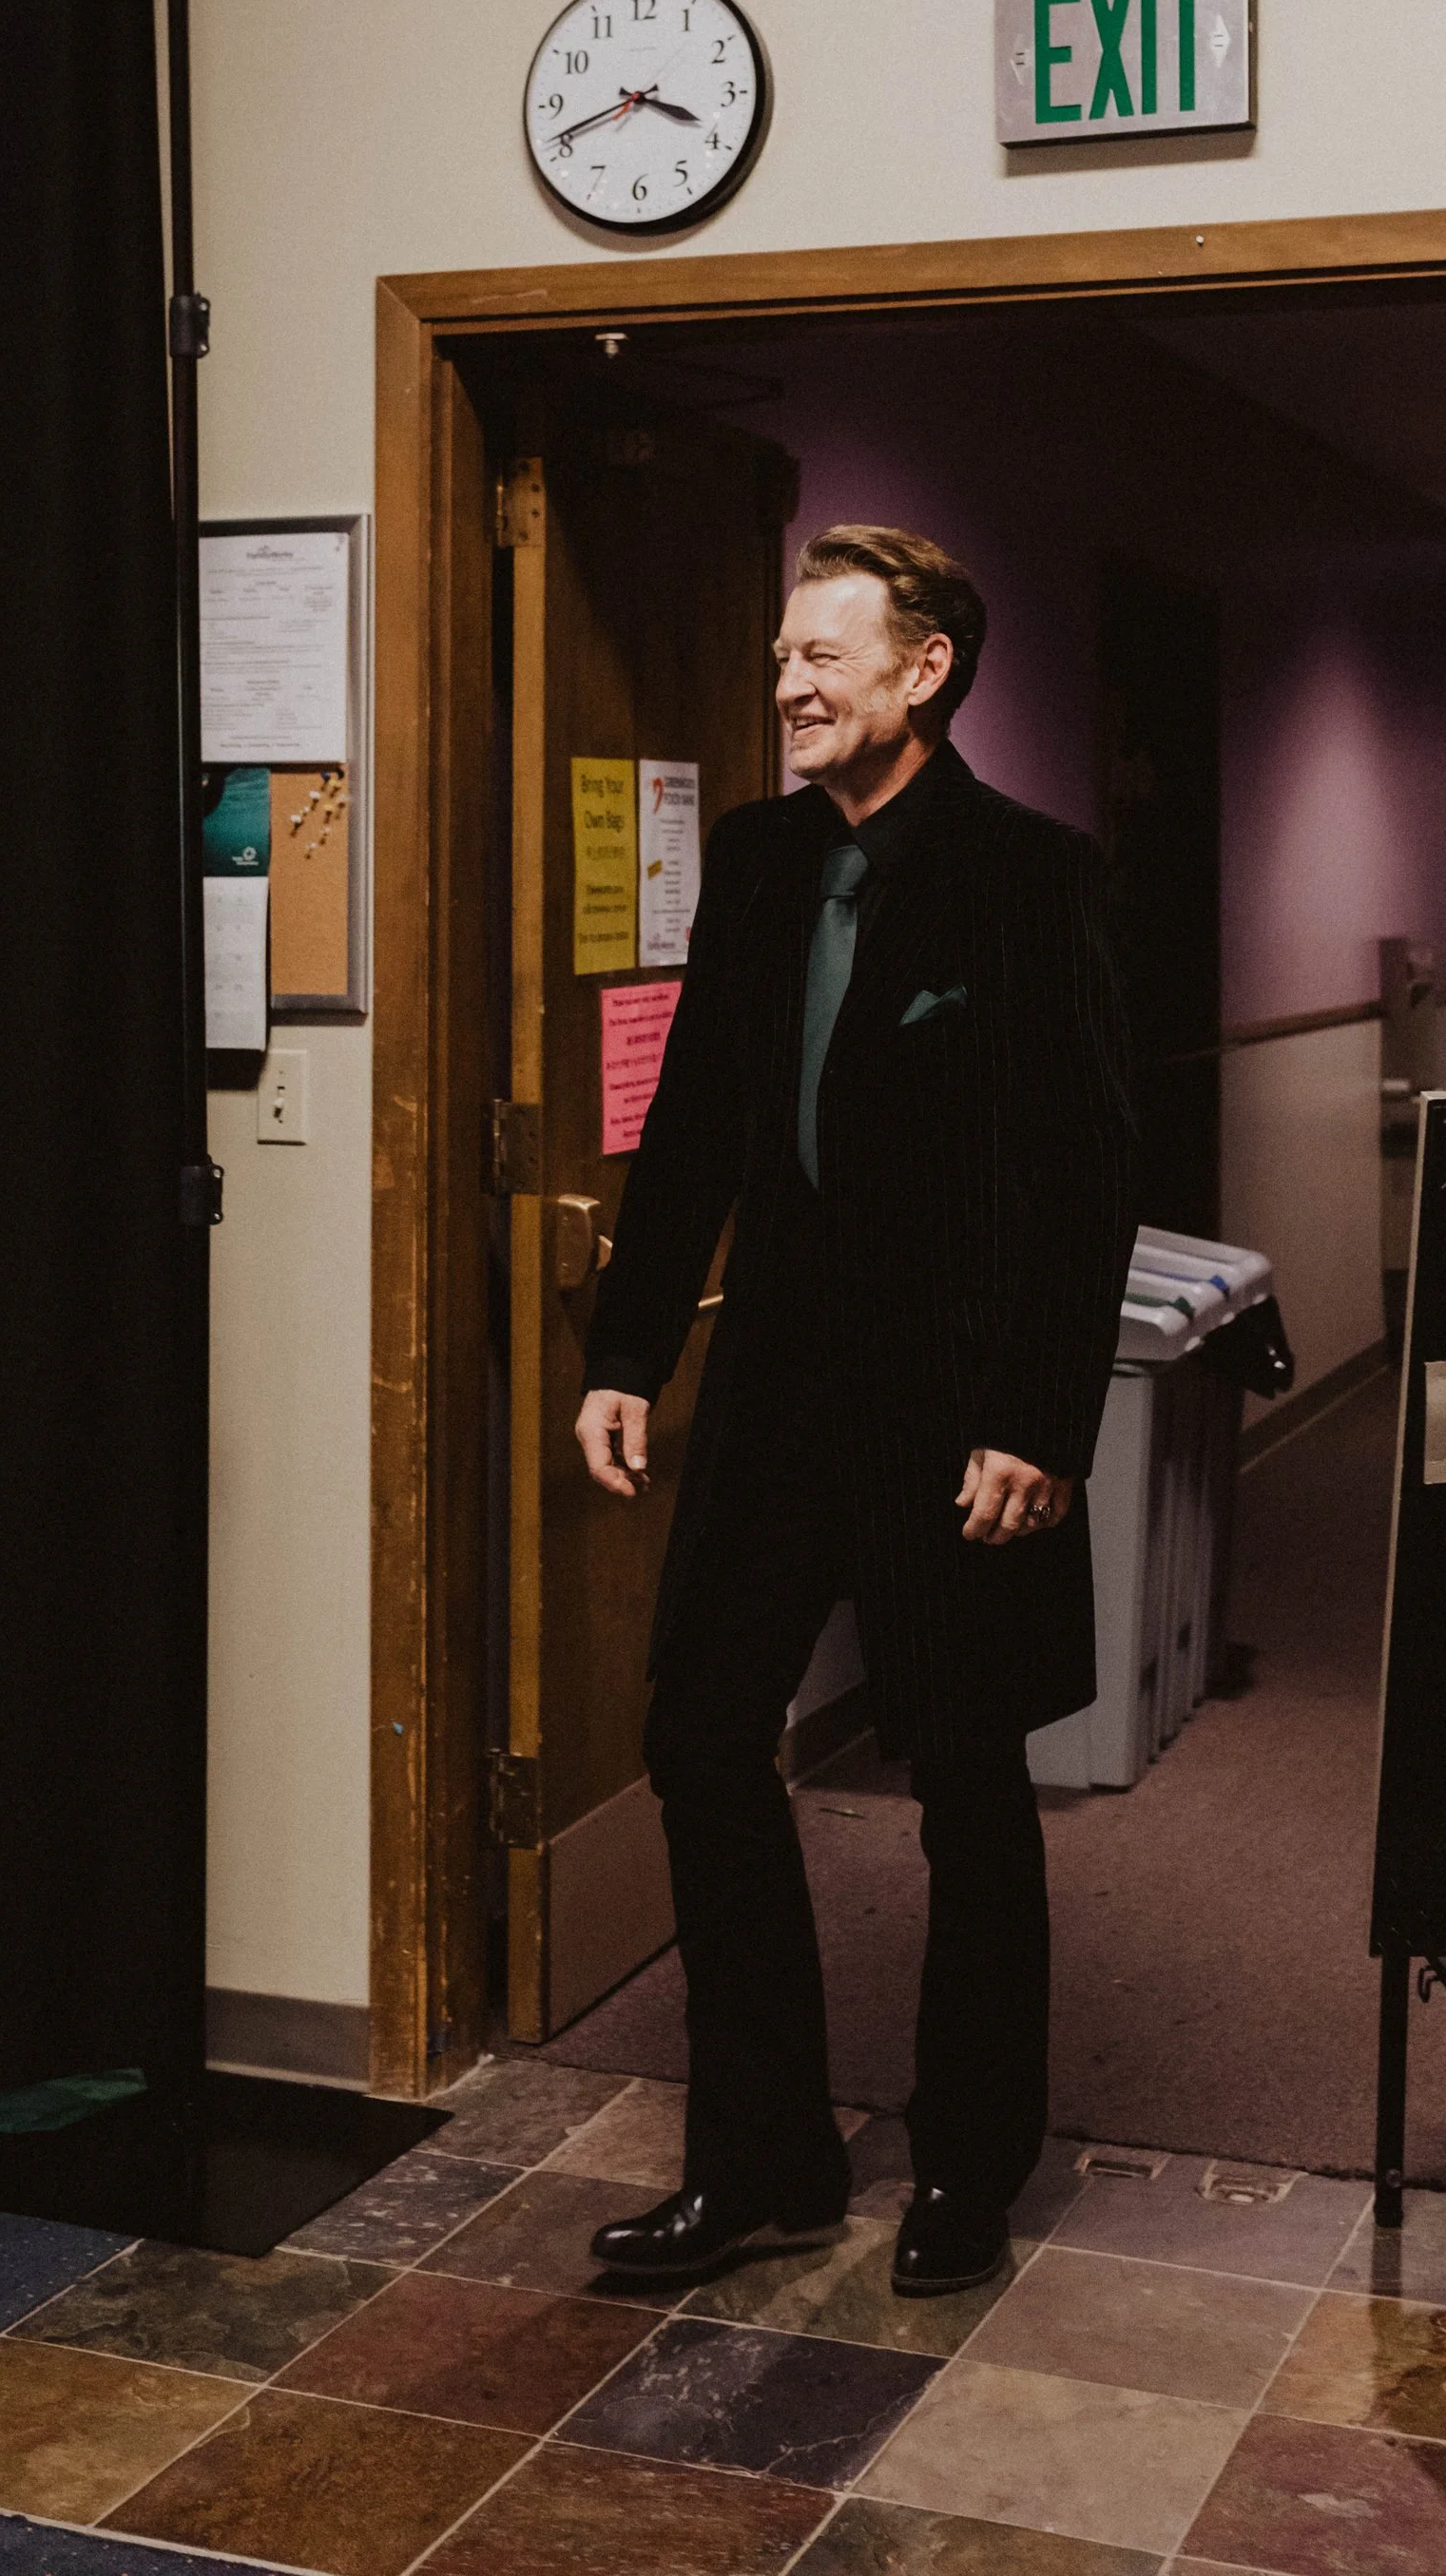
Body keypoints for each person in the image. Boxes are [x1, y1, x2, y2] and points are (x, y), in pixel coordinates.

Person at [573, 524, 1138, 2296]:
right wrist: (623, 1350)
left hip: (963, 1408)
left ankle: (968, 2167)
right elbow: (692, 1133)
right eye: (782, 660)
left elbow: (1088, 1171)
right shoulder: (747, 862)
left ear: (924, 670)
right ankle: (766, 2158)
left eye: (825, 656)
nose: (790, 686)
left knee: (967, 1781)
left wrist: (1042, 1420)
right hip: (778, 1392)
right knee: (697, 1737)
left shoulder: (1032, 876)